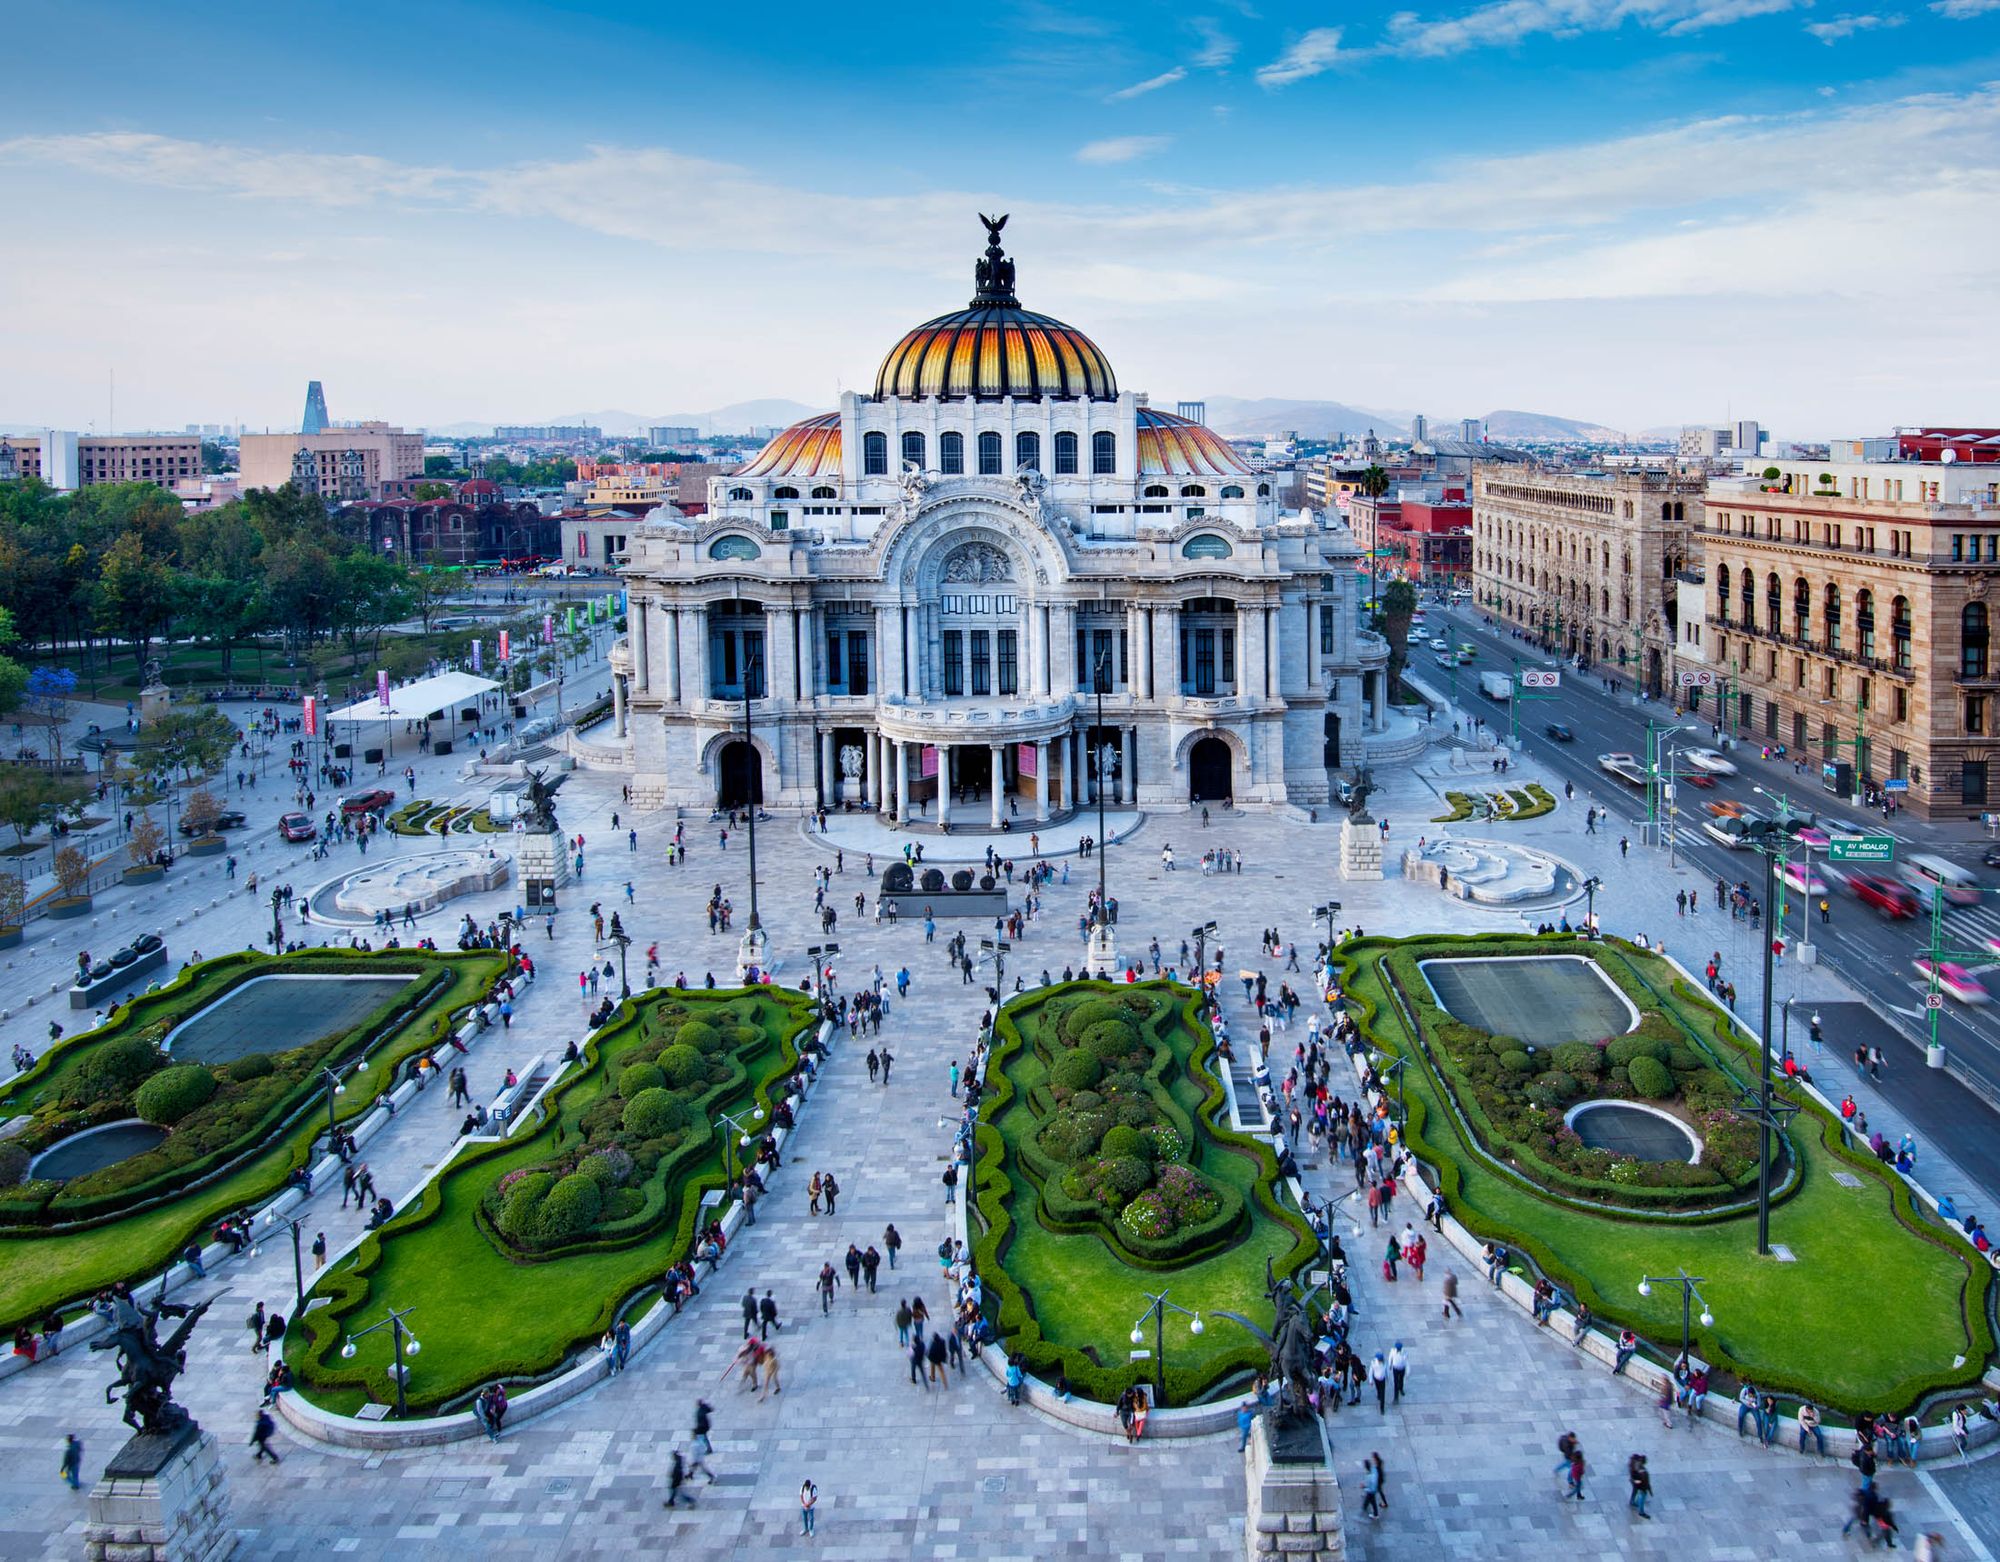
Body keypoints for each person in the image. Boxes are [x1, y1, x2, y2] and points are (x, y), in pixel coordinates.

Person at [1627, 1453, 1651, 1518]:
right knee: (1641, 1496)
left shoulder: (1636, 1465)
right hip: (1639, 1484)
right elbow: (1639, 1478)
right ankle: (1641, 1511)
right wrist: (1639, 1482)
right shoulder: (1640, 1468)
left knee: (1635, 1491)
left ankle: (1632, 1502)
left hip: (1636, 1483)